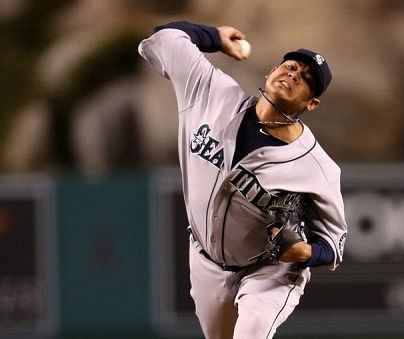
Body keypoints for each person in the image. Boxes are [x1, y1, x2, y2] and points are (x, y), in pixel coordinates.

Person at [138, 20, 348, 339]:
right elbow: (165, 37)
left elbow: (334, 243)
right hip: (206, 260)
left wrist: (304, 253)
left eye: (306, 79)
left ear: (311, 103)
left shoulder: (317, 167)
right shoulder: (211, 94)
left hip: (270, 271)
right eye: (291, 66)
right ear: (271, 72)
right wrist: (215, 38)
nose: (294, 74)